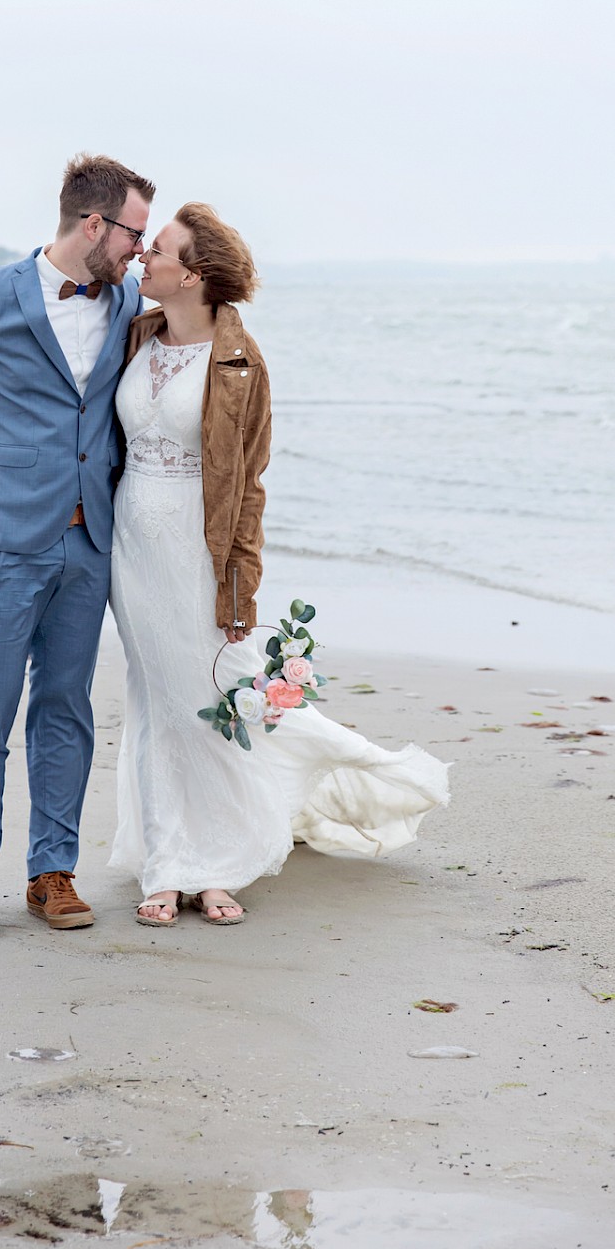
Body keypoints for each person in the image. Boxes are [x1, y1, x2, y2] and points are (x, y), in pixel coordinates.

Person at [108, 204, 449, 926]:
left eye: (158, 249)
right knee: (154, 706)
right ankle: (166, 860)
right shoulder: (134, 334)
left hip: (198, 556)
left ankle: (220, 862)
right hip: (129, 551)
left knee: (209, 705)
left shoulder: (241, 362)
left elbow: (250, 483)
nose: (143, 257)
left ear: (192, 275)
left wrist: (242, 587)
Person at [0, 153, 155, 937]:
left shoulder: (128, 303)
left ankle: (53, 872)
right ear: (94, 224)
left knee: (65, 712)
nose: (139, 251)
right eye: (133, 233)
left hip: (89, 547)